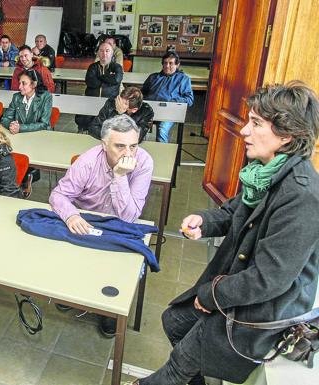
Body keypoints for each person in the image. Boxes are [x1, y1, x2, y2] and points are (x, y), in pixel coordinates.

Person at [133, 82, 319, 385]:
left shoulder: (302, 195)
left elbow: (268, 280)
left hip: (263, 310)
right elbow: (234, 211)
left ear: (287, 136)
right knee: (174, 321)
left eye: (256, 123)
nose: (244, 131)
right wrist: (204, 222)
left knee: (177, 367)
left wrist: (211, 295)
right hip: (240, 290)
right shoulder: (264, 171)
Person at [50, 114, 153, 337]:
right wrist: (71, 216)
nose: (128, 153)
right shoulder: (87, 161)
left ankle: (109, 311)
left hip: (119, 225)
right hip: (89, 220)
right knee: (77, 258)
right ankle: (76, 295)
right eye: (120, 146)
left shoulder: (144, 162)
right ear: (104, 145)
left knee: (117, 268)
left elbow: (129, 216)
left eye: (133, 146)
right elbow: (58, 195)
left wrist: (120, 177)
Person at [141, 51, 194, 143]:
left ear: (177, 65)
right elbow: (142, 93)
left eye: (171, 63)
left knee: (162, 129)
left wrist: (173, 101)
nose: (167, 66)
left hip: (169, 111)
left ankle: (162, 155)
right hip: (150, 109)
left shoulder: (183, 79)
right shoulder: (153, 77)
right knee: (135, 127)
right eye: (165, 63)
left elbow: (189, 99)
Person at [75, 42, 124, 132]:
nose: (104, 53)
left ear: (112, 53)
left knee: (107, 127)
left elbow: (116, 80)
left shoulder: (117, 67)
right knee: (83, 121)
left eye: (107, 51)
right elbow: (91, 83)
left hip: (109, 104)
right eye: (101, 51)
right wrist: (108, 78)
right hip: (91, 101)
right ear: (98, 53)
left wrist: (100, 77)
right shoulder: (93, 67)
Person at [88, 87, 154, 142]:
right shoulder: (111, 103)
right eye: (119, 99)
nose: (117, 104)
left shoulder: (147, 112)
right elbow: (93, 128)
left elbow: (136, 138)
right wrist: (114, 137)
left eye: (123, 104)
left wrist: (121, 115)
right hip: (107, 144)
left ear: (134, 110)